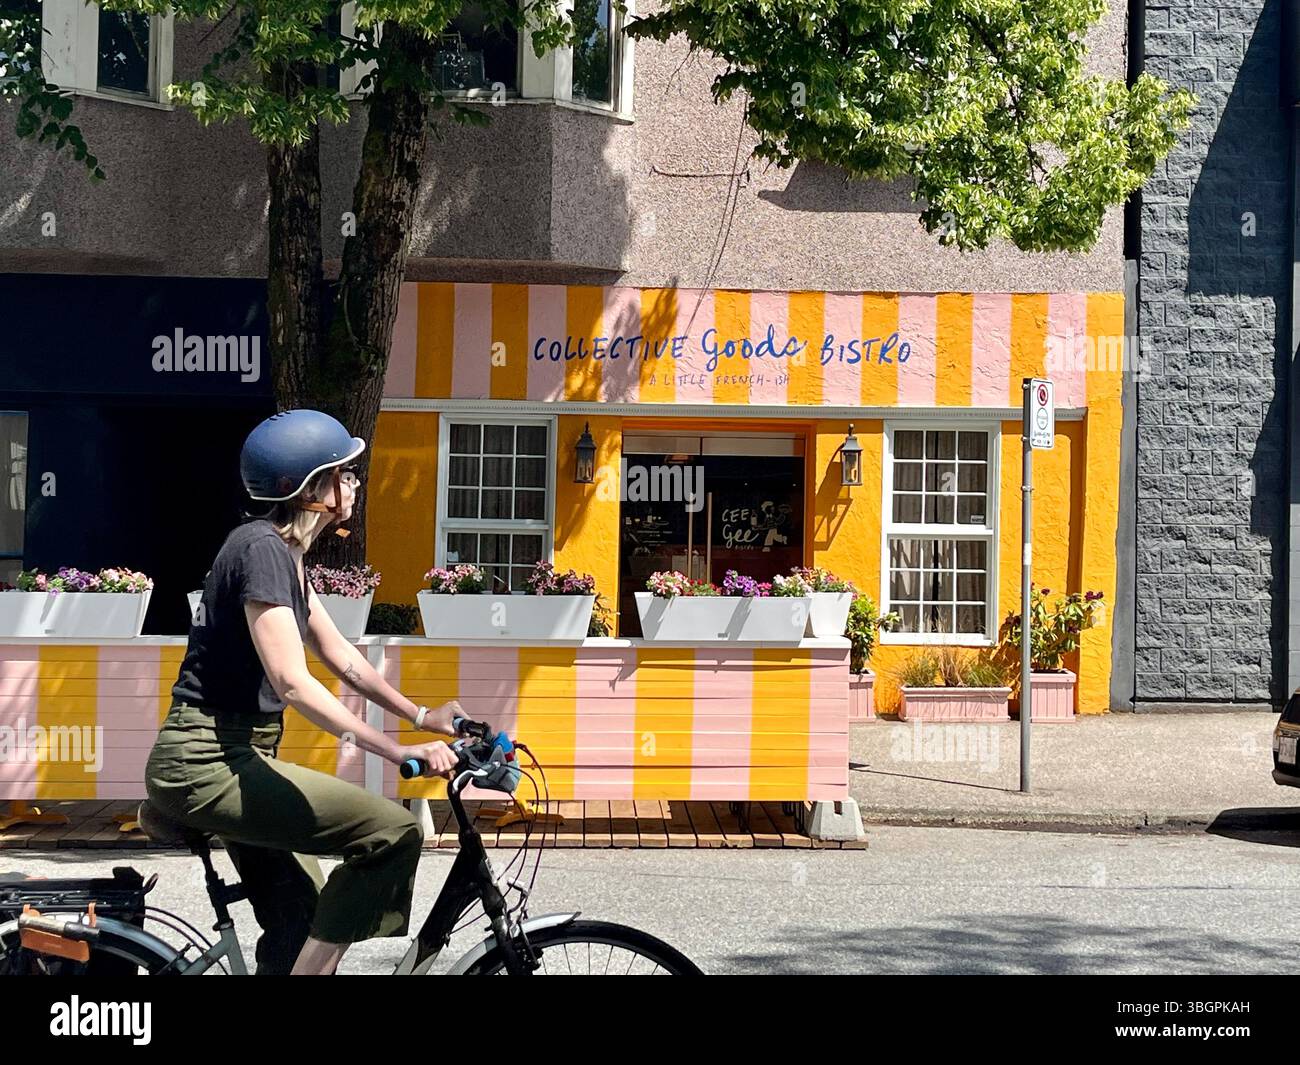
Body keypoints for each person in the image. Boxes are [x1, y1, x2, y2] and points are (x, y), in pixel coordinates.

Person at [144, 409, 460, 975]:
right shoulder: (260, 550)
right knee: (393, 832)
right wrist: (396, 751)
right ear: (313, 489)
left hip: (240, 757)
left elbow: (343, 660)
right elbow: (294, 681)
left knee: (300, 914)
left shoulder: (285, 557)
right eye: (346, 473)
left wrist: (423, 716)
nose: (355, 483)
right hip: (209, 761)